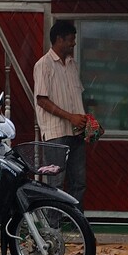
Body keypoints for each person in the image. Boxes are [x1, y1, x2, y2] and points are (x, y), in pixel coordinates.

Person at [33, 19, 91, 204]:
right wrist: (70, 117)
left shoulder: (72, 64)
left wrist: (87, 121)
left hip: (76, 132)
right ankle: (53, 227)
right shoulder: (44, 64)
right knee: (55, 183)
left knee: (79, 182)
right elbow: (42, 100)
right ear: (59, 39)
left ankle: (75, 224)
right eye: (70, 39)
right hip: (55, 133)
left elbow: (76, 99)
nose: (73, 43)